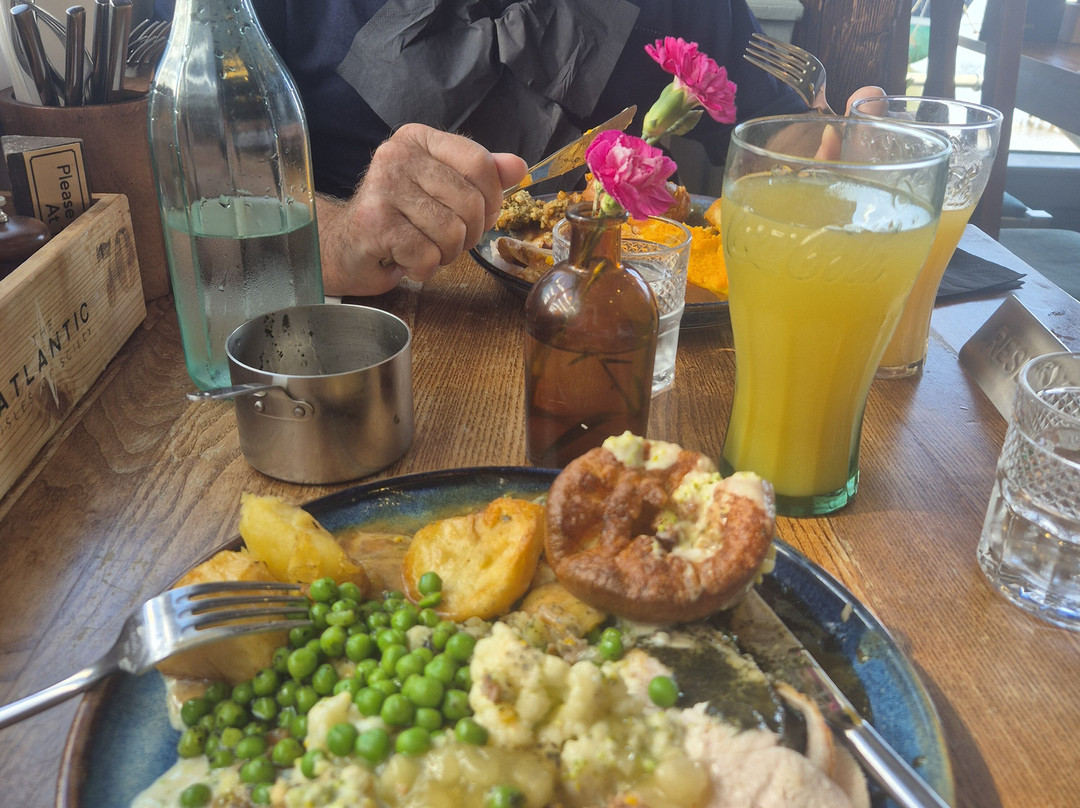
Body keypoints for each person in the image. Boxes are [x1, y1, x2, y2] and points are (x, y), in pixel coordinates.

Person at [153, 0, 872, 296]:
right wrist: (338, 240)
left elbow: (782, 138)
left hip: (623, 335)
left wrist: (851, 150)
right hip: (335, 341)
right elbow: (161, 187)